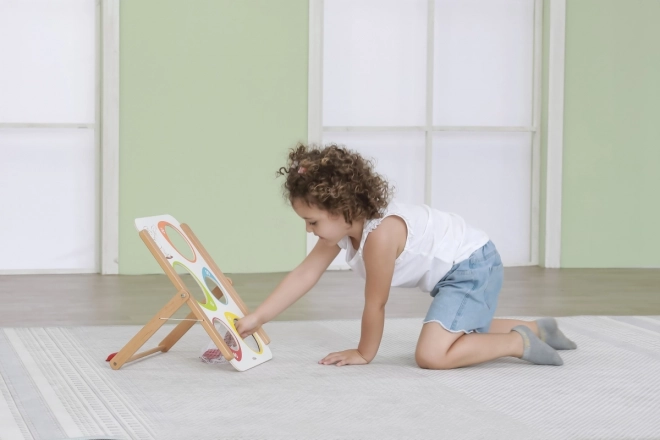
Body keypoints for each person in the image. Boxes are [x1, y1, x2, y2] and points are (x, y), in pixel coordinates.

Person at [236, 144, 576, 369]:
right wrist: (258, 318)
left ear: (343, 209)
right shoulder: (344, 227)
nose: (309, 230)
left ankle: (518, 343)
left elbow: (376, 303)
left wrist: (364, 352)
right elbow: (304, 275)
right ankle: (538, 327)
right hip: (456, 271)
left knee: (431, 355)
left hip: (473, 266)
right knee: (454, 329)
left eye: (312, 222)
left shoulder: (380, 236)